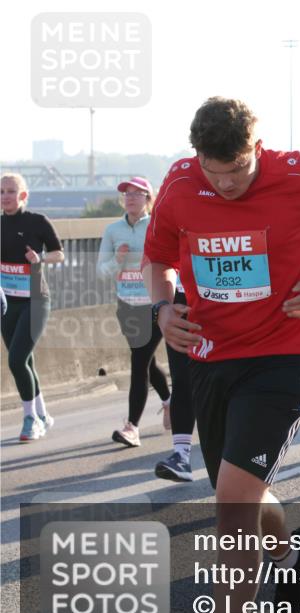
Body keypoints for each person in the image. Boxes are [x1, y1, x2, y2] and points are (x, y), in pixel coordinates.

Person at [142, 97, 300, 613]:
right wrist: (164, 310)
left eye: (239, 168)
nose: (228, 183)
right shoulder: (180, 185)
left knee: (231, 504)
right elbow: (158, 258)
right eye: (216, 173)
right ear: (198, 159)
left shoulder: (299, 175)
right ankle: (290, 560)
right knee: (244, 493)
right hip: (211, 361)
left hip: (281, 356)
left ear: (256, 148)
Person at [97, 177, 171, 448]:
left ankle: (132, 427)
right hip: (126, 305)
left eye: (138, 194)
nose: (130, 198)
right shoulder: (113, 230)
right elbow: (100, 271)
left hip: (153, 304)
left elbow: (171, 260)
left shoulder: (157, 226)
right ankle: (169, 401)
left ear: (148, 199)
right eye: (127, 194)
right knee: (146, 361)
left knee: (139, 361)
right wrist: (116, 261)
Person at [1, 172, 64, 441]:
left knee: (16, 359)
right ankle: (43, 414)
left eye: (11, 191)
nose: (5, 196)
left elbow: (59, 254)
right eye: (2, 191)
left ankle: (30, 419)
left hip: (36, 300)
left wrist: (39, 258)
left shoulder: (37, 222)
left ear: (23, 195)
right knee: (24, 360)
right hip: (7, 303)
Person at [154, 274, 197, 482]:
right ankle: (181, 455)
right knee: (182, 379)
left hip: (238, 299)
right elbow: (157, 259)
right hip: (184, 300)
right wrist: (162, 306)